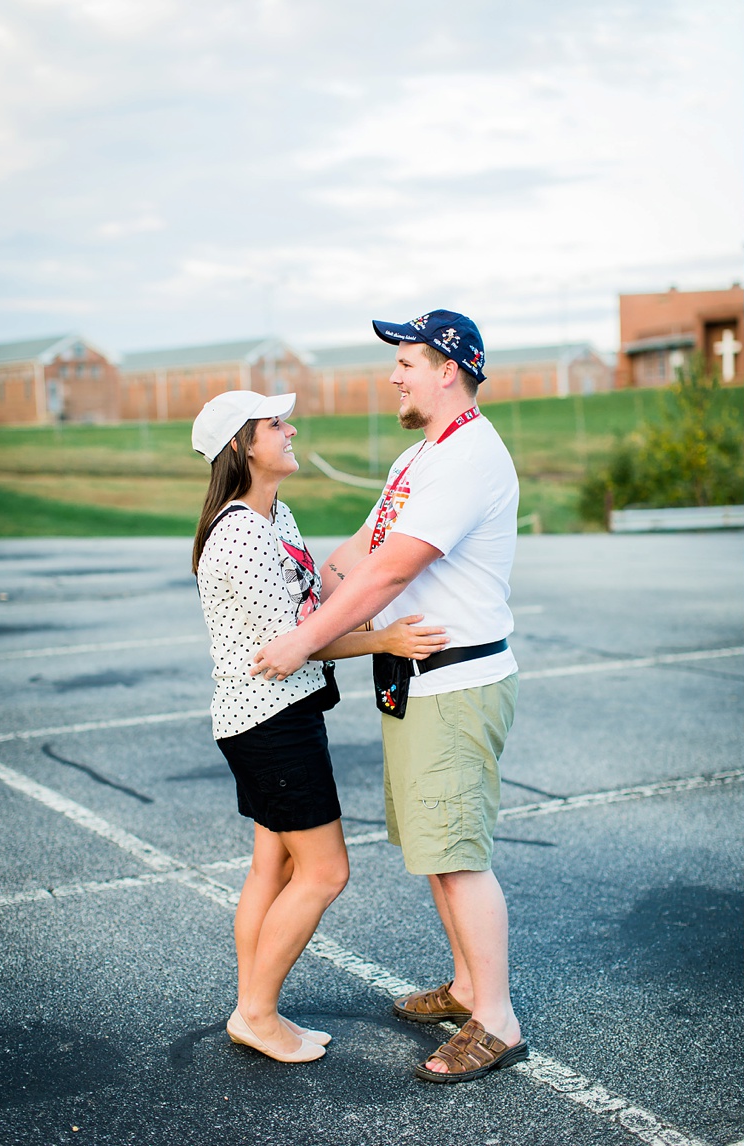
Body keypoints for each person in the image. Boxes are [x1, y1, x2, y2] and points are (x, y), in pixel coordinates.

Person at [249, 310, 527, 1084]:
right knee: (437, 851)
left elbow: (392, 572)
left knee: (460, 857)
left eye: (406, 361)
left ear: (449, 368)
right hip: (415, 680)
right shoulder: (420, 456)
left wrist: (305, 641)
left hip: (456, 679)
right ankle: (468, 986)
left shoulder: (468, 456)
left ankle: (496, 1019)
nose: (393, 375)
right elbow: (358, 555)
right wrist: (304, 592)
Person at [191, 389, 448, 1064]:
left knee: (270, 869)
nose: (292, 429)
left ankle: (254, 1007)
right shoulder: (241, 533)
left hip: (277, 715)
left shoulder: (273, 516)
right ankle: (256, 1012)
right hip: (270, 722)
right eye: (277, 424)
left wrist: (370, 595)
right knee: (326, 872)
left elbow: (314, 609)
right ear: (245, 445)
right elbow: (296, 643)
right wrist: (384, 639)